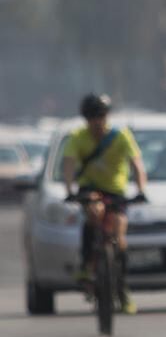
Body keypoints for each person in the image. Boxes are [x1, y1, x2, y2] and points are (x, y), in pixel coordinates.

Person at [61, 94, 149, 315]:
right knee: (94, 212)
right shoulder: (78, 138)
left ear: (107, 116)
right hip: (90, 189)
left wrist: (141, 190)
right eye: (92, 117)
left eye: (100, 116)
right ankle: (87, 265)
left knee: (119, 235)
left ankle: (122, 287)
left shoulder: (121, 136)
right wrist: (70, 190)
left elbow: (137, 165)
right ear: (85, 119)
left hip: (115, 191)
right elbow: (69, 165)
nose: (96, 121)